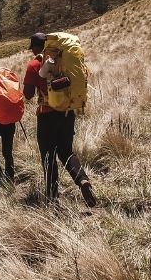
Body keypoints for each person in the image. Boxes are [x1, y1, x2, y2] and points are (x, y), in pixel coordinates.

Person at [23, 32, 96, 207]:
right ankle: (82, 180)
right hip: (67, 113)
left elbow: (28, 95)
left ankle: (53, 198)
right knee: (66, 152)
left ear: (36, 47)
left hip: (47, 115)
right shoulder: (64, 60)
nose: (32, 51)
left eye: (32, 48)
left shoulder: (34, 64)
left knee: (48, 156)